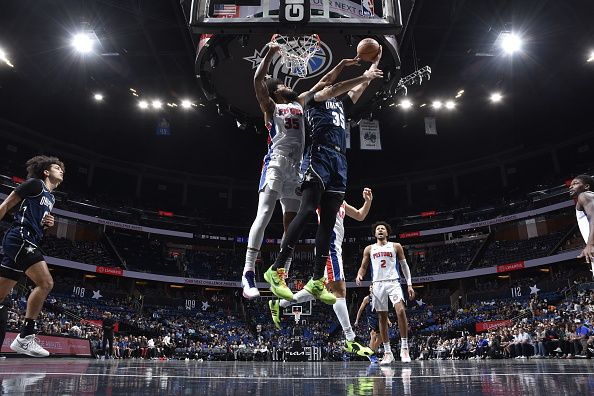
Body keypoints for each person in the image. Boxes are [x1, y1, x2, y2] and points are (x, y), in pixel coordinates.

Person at [264, 47, 383, 304]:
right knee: (307, 211)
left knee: (328, 223)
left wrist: (370, 69)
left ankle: (317, 279)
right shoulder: (314, 99)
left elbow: (354, 92)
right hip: (318, 154)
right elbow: (334, 86)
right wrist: (364, 77)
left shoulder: (341, 106)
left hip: (340, 160)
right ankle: (277, 268)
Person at [242, 43, 362, 299]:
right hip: (276, 162)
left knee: (291, 224)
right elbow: (257, 80)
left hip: (299, 167)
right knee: (264, 214)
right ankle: (248, 272)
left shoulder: (301, 101)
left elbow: (325, 83)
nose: (288, 84)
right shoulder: (270, 108)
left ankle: (281, 275)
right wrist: (270, 54)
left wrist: (341, 65)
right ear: (276, 91)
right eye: (283, 85)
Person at [268, 188, 375, 358]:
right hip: (329, 247)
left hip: (335, 248)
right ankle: (350, 339)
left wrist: (367, 201)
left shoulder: (342, 203)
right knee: (339, 291)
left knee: (317, 290)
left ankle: (279, 304)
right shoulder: (323, 198)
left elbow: (360, 215)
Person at [0, 155, 64, 357]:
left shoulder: (51, 197)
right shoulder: (35, 184)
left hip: (30, 238)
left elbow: (37, 219)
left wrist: (47, 224)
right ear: (46, 171)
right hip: (20, 237)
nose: (61, 170)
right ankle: (25, 337)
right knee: (46, 283)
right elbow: (6, 205)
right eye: (56, 167)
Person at [356, 221, 415, 364]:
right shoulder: (369, 249)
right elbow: (363, 266)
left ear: (387, 233)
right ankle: (388, 353)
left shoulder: (395, 246)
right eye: (378, 229)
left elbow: (404, 266)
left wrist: (409, 284)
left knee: (400, 311)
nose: (380, 230)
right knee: (382, 318)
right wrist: (359, 275)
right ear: (375, 234)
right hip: (377, 284)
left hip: (393, 281)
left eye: (383, 229)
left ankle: (404, 348)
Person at [569, 174, 594, 278]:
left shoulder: (584, 196)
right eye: (570, 185)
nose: (571, 186)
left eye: (575, 183)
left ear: (586, 186)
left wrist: (590, 244)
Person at [354, 284, 385, 355]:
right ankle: (371, 355)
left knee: (380, 338)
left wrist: (388, 320)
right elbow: (360, 310)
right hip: (371, 319)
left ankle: (371, 351)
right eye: (371, 287)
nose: (372, 288)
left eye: (373, 287)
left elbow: (383, 310)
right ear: (369, 289)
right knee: (373, 334)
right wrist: (357, 320)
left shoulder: (379, 298)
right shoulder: (367, 299)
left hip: (379, 319)